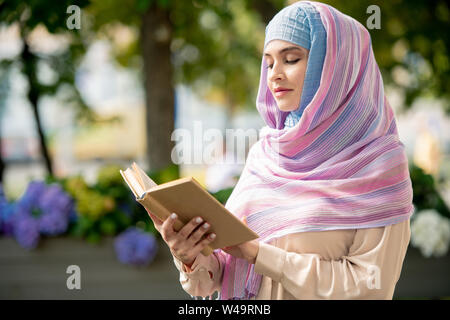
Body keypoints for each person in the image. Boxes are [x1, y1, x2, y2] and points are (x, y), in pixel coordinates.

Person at [146, 1, 413, 300]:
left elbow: (370, 288)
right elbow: (216, 280)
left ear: (335, 66)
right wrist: (190, 255)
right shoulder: (265, 155)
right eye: (270, 62)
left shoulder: (379, 165)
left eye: (291, 59)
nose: (273, 75)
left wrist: (261, 255)